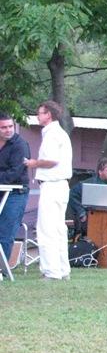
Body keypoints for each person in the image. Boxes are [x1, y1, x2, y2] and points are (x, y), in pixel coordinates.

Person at [24, 100, 73, 281]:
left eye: (41, 113)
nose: (38, 116)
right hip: (61, 185)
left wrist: (33, 163)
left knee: (46, 229)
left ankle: (51, 272)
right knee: (59, 229)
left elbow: (51, 160)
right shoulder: (59, 133)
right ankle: (62, 269)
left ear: (48, 115)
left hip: (52, 185)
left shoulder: (52, 134)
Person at [0, 113, 31, 272]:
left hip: (16, 193)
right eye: (4, 127)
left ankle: (1, 270)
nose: (8, 130)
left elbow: (15, 173)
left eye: (10, 126)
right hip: (1, 189)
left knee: (5, 232)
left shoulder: (20, 145)